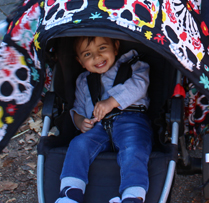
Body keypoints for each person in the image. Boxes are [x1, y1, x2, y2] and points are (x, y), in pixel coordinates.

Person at [55, 36, 152, 203]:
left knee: (134, 149)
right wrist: (80, 122)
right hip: (99, 126)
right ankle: (70, 193)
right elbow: (78, 107)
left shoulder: (133, 64)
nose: (97, 57)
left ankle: (132, 196)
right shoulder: (84, 81)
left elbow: (140, 85)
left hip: (132, 121)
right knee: (78, 144)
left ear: (115, 47)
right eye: (87, 54)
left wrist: (112, 102)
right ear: (80, 61)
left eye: (102, 48)